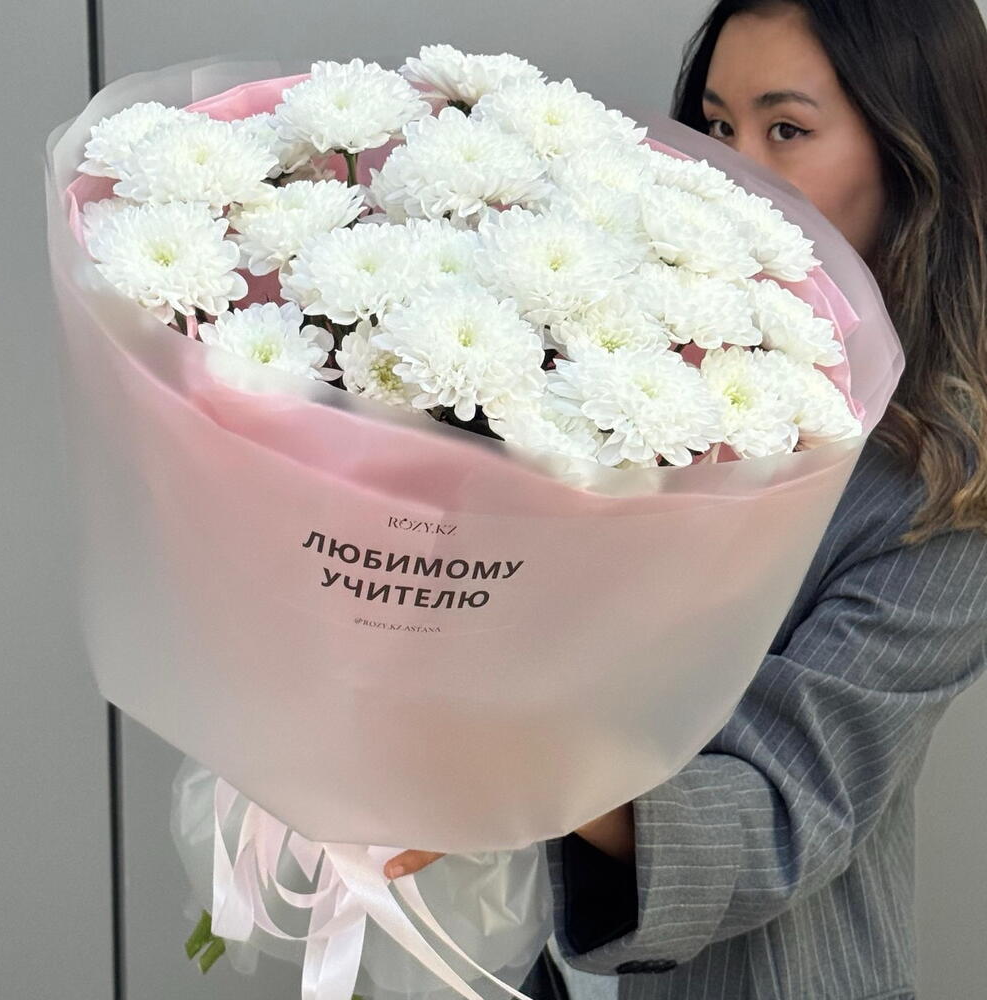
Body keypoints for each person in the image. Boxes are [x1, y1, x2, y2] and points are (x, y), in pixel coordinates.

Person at [382, 1, 987, 997]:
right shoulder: (613, 351)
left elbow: (782, 808)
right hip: (508, 948)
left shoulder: (943, 489)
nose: (733, 171)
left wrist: (517, 748)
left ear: (909, 156)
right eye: (715, 125)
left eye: (786, 128)